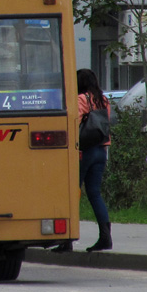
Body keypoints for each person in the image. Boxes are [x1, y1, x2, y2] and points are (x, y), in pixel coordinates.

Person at [53, 68, 112, 252]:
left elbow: (75, 122)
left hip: (83, 151)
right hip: (101, 150)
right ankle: (105, 236)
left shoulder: (81, 99)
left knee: (71, 193)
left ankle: (66, 240)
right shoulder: (103, 99)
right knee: (94, 193)